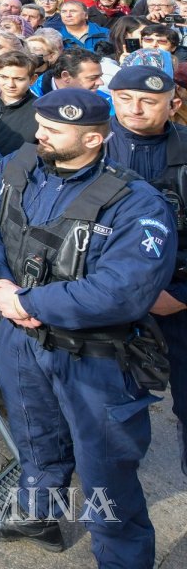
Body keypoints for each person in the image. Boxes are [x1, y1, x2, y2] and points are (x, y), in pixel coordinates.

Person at [0, 88, 176, 564]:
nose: (38, 135)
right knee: (35, 442)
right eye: (41, 125)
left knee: (106, 477)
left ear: (92, 141)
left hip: (94, 361)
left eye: (54, 131)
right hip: (21, 343)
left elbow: (123, 291)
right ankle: (39, 516)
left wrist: (28, 300)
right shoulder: (20, 166)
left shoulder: (136, 205)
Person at [104, 65, 187, 477]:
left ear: (173, 105)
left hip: (176, 299)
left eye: (148, 102)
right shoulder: (89, 145)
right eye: (124, 99)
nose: (134, 109)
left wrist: (180, 295)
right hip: (106, 299)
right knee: (112, 404)